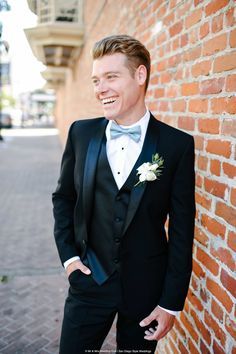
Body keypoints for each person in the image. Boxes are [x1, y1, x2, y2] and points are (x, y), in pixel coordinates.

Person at [52, 34, 195, 354]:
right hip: (89, 282)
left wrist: (171, 303)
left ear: (140, 75)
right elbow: (64, 198)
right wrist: (70, 258)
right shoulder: (81, 133)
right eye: (96, 80)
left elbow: (184, 229)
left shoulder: (177, 146)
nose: (100, 88)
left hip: (146, 291)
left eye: (111, 77)